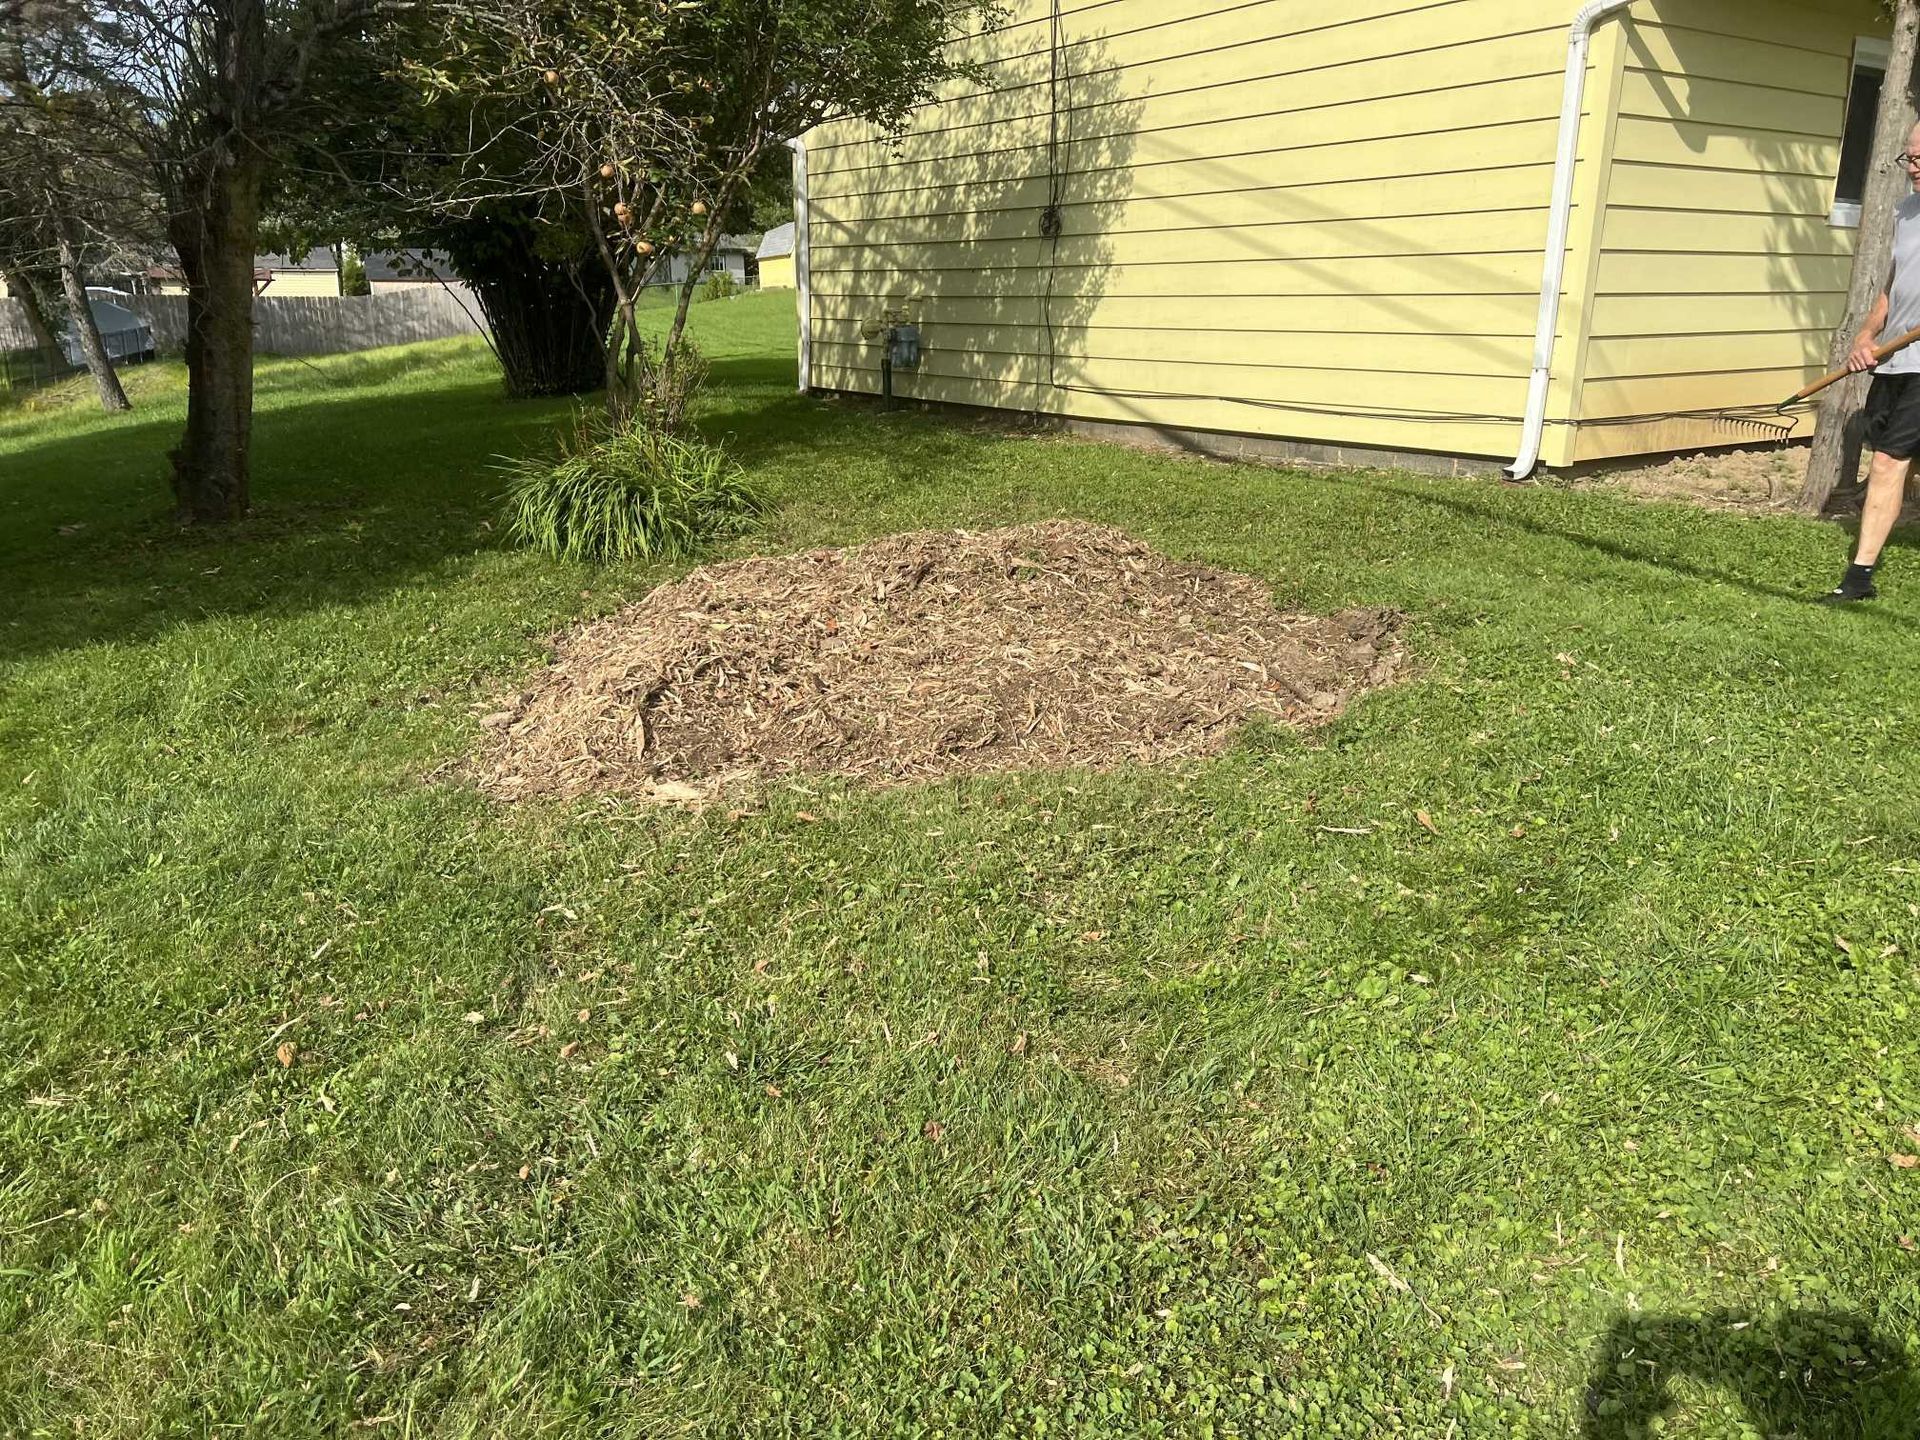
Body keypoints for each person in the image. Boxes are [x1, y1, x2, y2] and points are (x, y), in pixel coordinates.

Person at [1827, 130, 1920, 602]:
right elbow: (1889, 288)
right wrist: (1866, 337)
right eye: (1910, 156)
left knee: (1888, 461)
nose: (1913, 166)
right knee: (1890, 460)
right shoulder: (1906, 212)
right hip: (1896, 360)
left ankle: (1858, 578)